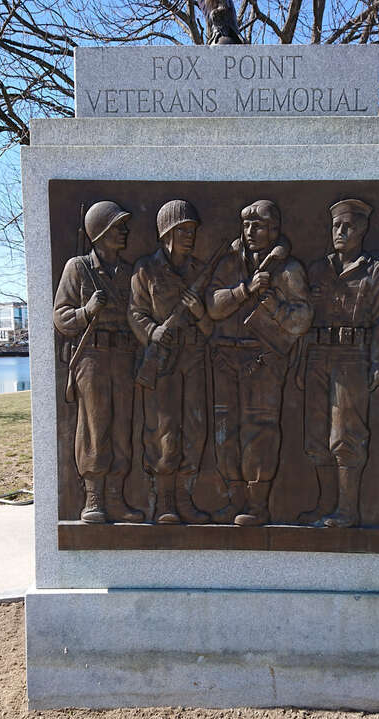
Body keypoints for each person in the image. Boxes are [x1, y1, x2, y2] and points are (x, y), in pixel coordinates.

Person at [206, 199, 312, 525]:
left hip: (263, 361)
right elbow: (213, 306)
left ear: (274, 230)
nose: (251, 231)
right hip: (226, 358)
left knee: (259, 431)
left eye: (259, 226)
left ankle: (257, 504)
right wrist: (244, 290)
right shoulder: (228, 263)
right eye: (247, 225)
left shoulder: (288, 269)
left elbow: (302, 318)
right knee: (225, 430)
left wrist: (275, 306)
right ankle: (233, 498)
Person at [298, 198, 379, 527]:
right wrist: (300, 364)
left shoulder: (375, 271)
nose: (340, 232)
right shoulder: (318, 269)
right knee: (315, 435)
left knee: (346, 435)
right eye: (336, 226)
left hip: (352, 358)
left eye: (348, 226)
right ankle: (325, 505)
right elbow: (304, 319)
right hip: (316, 356)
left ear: (363, 230)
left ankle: (347, 510)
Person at [53, 200, 144, 524]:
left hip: (124, 357)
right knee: (95, 425)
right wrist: (87, 310)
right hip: (91, 357)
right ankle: (93, 497)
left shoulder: (129, 272)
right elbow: (61, 318)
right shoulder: (78, 268)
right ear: (101, 232)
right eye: (119, 227)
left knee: (122, 427)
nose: (125, 231)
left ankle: (117, 497)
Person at [128, 199, 213, 525]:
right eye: (183, 230)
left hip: (193, 358)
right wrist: (153, 331)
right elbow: (135, 312)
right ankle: (164, 501)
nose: (190, 236)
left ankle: (185, 498)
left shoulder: (199, 271)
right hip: (162, 360)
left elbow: (210, 327)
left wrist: (199, 313)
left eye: (192, 230)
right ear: (166, 234)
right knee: (162, 430)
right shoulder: (145, 270)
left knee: (195, 428)